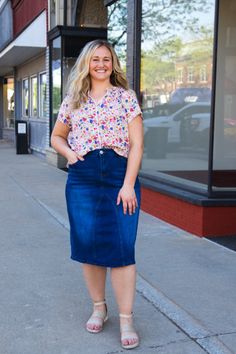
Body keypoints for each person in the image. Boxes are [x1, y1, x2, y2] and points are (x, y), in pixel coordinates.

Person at [51, 39, 143, 350]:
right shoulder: (73, 99)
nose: (101, 64)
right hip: (84, 177)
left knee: (121, 246)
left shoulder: (126, 98)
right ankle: (99, 307)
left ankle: (126, 317)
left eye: (106, 59)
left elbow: (137, 145)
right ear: (87, 64)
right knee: (88, 244)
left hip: (119, 175)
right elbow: (57, 136)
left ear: (113, 63)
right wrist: (71, 155)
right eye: (95, 59)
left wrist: (128, 183)